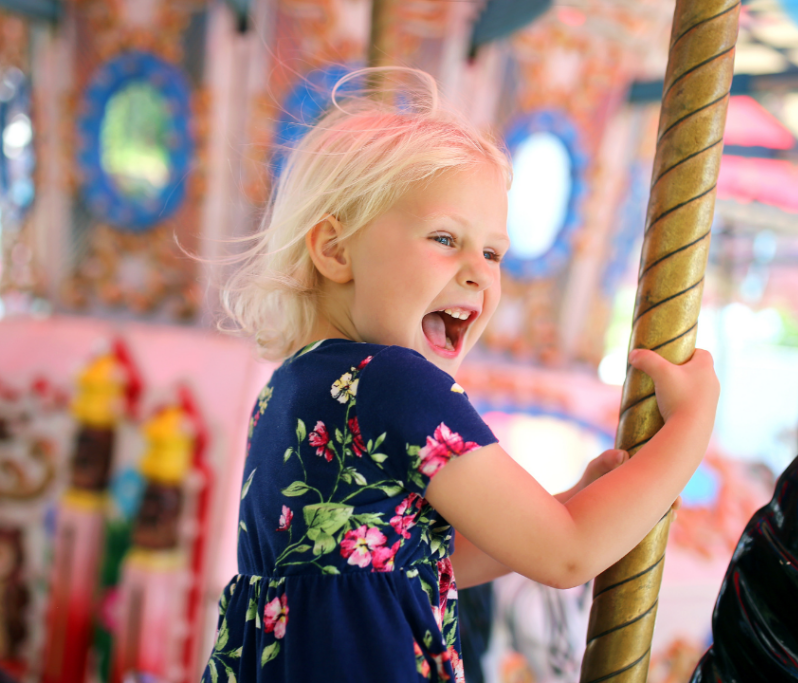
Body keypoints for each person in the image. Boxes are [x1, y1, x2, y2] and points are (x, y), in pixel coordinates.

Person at [202, 67, 719, 683]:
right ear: (336, 251)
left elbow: (413, 560)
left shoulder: (289, 388)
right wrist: (690, 427)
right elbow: (568, 553)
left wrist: (562, 503)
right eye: (445, 238)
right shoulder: (398, 383)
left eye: (494, 252)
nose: (478, 272)